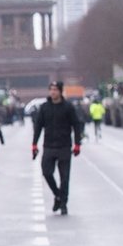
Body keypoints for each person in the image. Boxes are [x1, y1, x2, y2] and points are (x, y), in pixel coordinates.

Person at [29, 81, 84, 215]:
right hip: (49, 146)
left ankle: (64, 203)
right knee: (47, 172)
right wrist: (34, 144)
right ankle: (57, 194)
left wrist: (77, 144)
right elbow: (38, 126)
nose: (53, 92)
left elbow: (76, 125)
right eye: (51, 89)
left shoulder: (68, 107)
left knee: (65, 178)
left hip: (64, 146)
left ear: (60, 91)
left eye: (55, 90)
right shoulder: (44, 108)